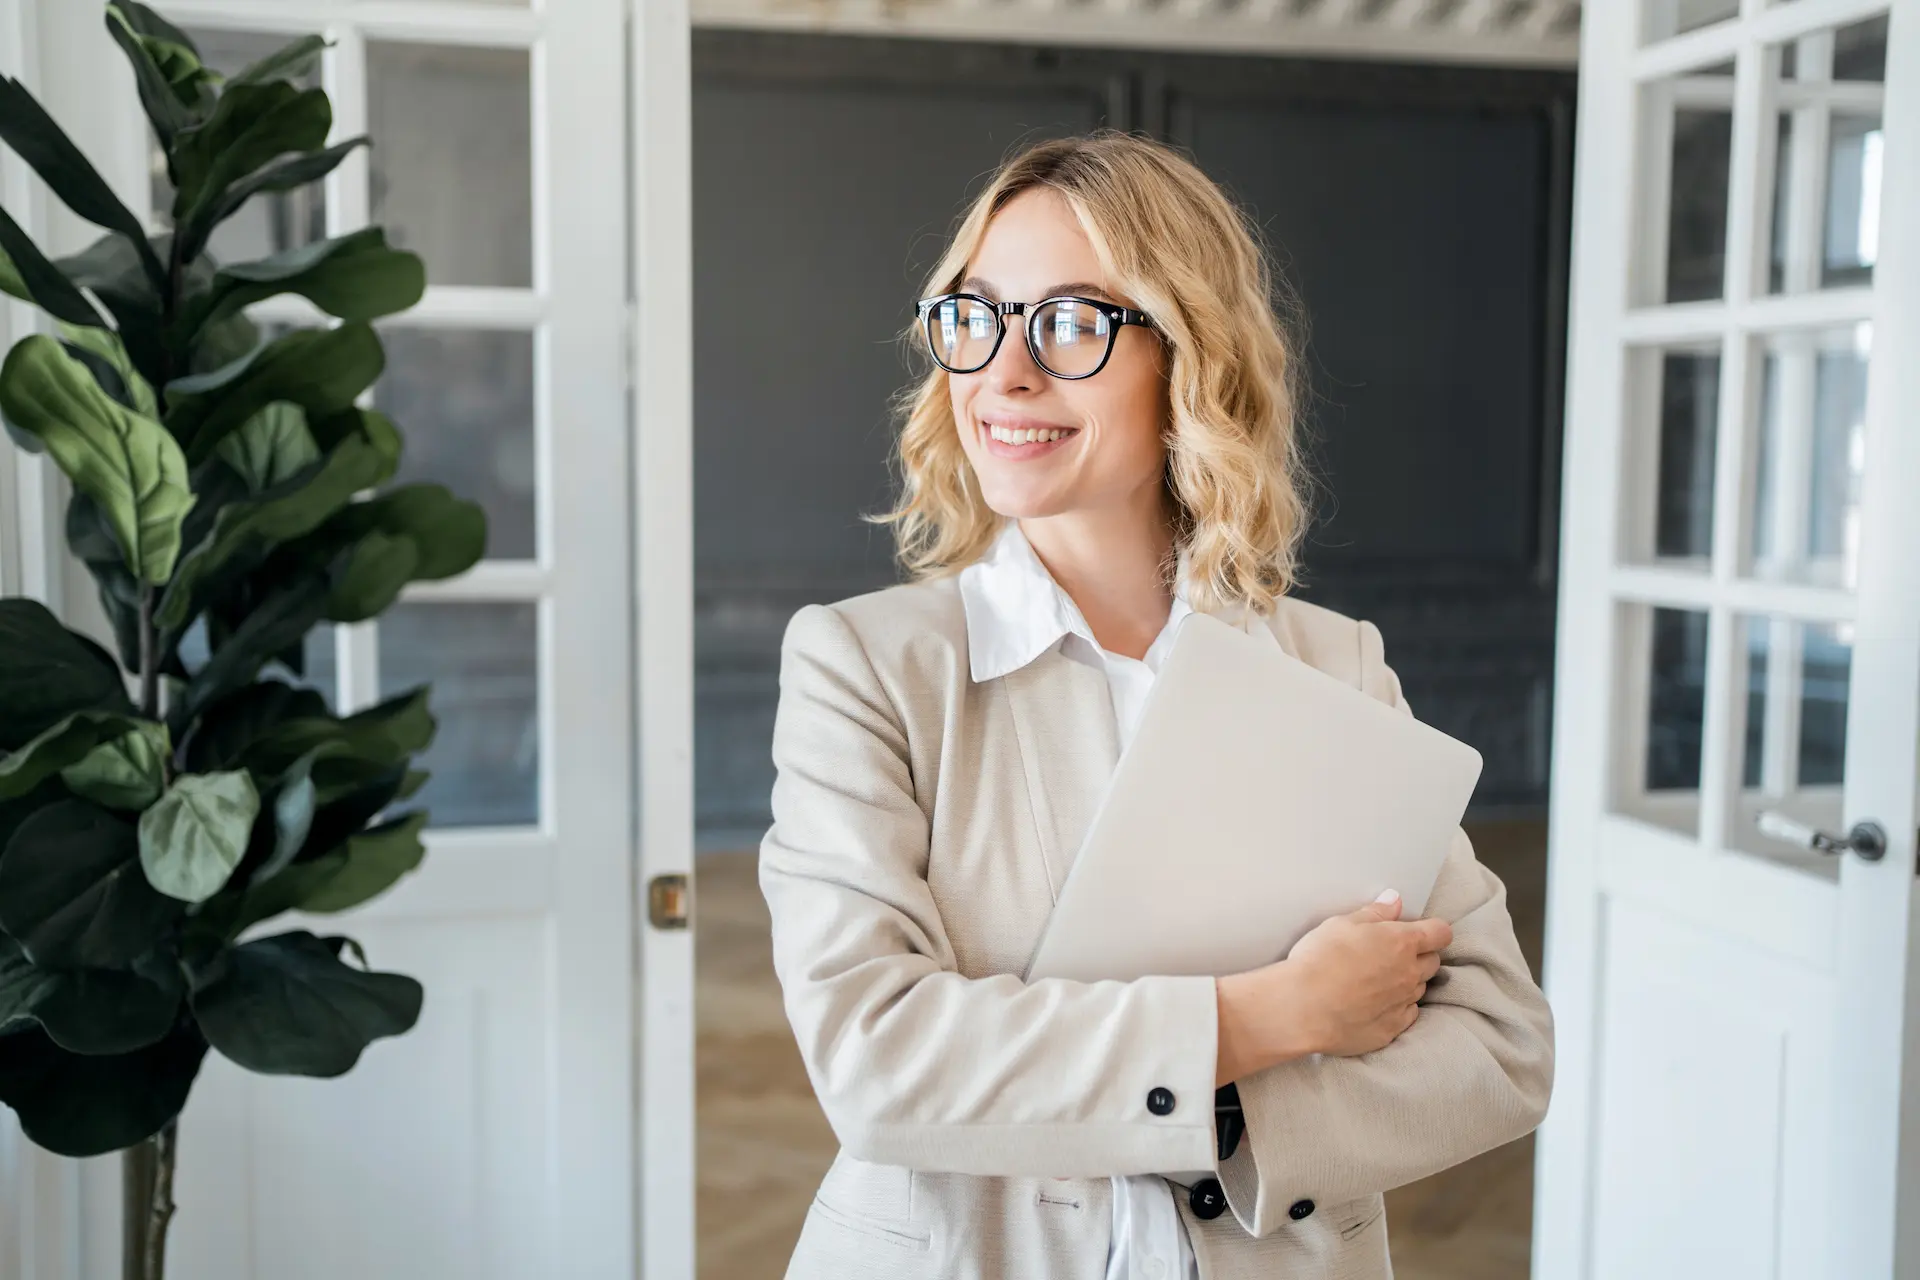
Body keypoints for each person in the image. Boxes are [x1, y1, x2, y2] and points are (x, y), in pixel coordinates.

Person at [759, 131, 1553, 1280]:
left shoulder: (1335, 666)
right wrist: (1278, 1015)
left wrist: (1229, 1123)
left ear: (1190, 355)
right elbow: (877, 1058)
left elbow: (1500, 1044)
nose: (1006, 374)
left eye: (1073, 322)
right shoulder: (864, 667)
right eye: (976, 317)